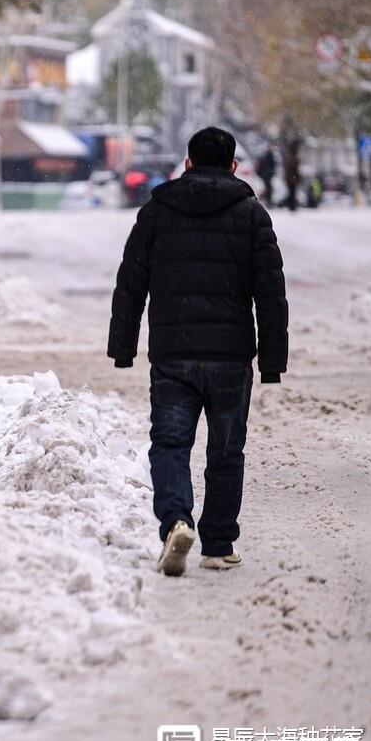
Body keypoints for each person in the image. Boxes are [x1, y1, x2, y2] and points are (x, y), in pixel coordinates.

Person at [107, 126, 288, 578]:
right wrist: (271, 360)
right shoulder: (251, 214)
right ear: (234, 166)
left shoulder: (157, 210)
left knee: (170, 444)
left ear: (186, 163)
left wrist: (123, 345)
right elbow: (271, 293)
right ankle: (219, 544)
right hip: (230, 356)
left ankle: (175, 521)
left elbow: (131, 282)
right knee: (226, 452)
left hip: (172, 354)